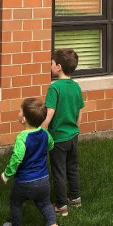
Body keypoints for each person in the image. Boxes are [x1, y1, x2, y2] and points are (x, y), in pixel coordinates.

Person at [1, 97, 61, 226]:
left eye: (20, 110)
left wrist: (7, 174)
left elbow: (16, 158)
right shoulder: (45, 133)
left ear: (24, 119)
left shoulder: (22, 138)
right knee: (45, 203)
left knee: (16, 202)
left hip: (24, 182)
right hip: (43, 180)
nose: (18, 112)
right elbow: (51, 145)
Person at [42, 49, 84, 217]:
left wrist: (40, 130)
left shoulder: (54, 88)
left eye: (52, 63)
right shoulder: (76, 86)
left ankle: (61, 206)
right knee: (72, 168)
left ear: (58, 67)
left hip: (58, 138)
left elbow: (49, 112)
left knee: (59, 172)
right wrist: (75, 129)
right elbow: (80, 112)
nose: (50, 65)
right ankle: (75, 198)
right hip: (73, 136)